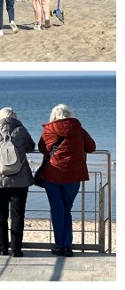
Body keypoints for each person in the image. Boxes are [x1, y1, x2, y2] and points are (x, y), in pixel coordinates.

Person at [37, 104, 96, 257]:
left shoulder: (49, 130)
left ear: (53, 116)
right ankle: (67, 246)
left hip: (52, 175)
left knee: (57, 210)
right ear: (69, 114)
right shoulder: (78, 129)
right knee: (67, 211)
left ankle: (59, 246)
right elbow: (91, 147)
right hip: (73, 176)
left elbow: (42, 148)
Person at [0, 107, 35, 257]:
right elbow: (31, 147)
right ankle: (16, 249)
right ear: (15, 117)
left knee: (0, 214)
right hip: (20, 180)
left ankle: (2, 248)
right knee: (18, 215)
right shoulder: (22, 131)